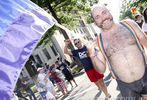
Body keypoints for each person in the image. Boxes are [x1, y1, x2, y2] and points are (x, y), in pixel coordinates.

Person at [90, 5, 147, 99]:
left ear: (109, 12)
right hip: (126, 87)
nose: (103, 18)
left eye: (104, 12)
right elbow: (101, 70)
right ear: (95, 22)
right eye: (97, 17)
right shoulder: (98, 41)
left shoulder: (129, 24)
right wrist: (92, 55)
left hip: (145, 76)